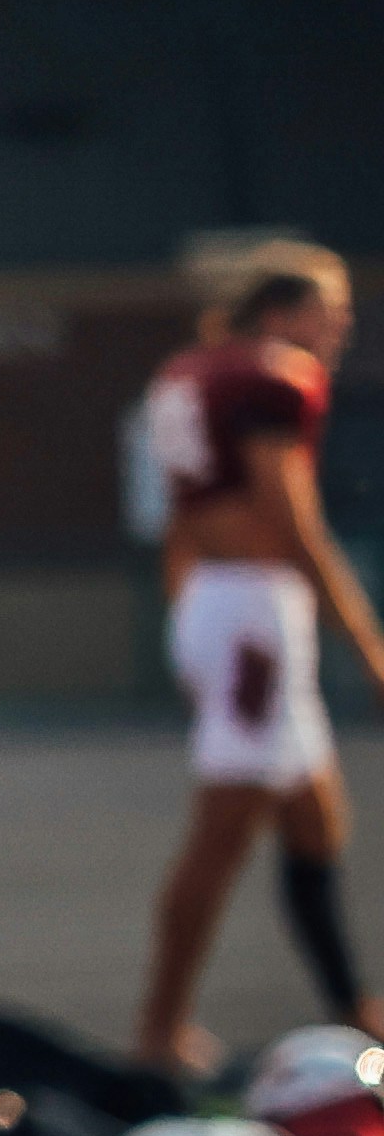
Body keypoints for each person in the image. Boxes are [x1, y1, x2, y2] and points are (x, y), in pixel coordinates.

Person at [139, 243, 380, 1067]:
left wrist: (189, 630)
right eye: (328, 312)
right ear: (280, 313)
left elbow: (183, 519)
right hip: (252, 614)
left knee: (315, 819)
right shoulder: (274, 376)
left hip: (221, 603)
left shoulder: (189, 373)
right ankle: (159, 1030)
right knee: (222, 833)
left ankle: (352, 1007)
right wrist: (367, 642)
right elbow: (292, 520)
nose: (341, 329)